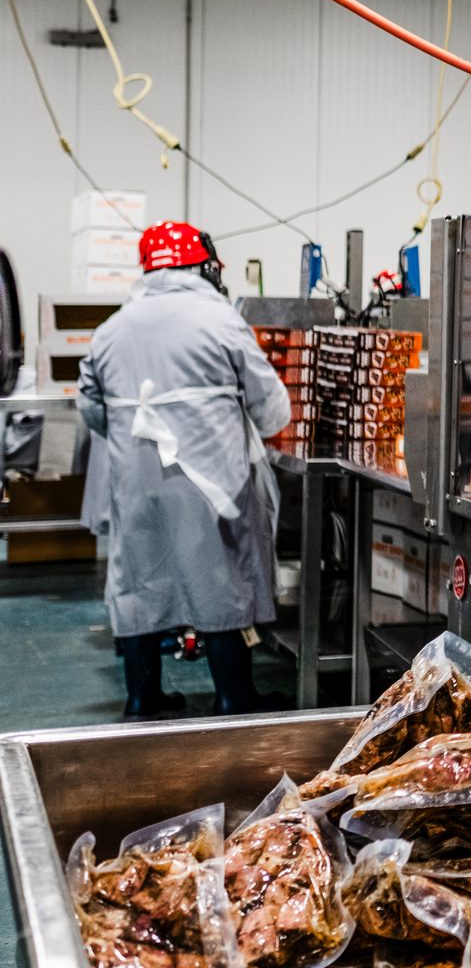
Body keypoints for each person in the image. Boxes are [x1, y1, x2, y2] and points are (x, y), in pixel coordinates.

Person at [77, 222, 291, 718]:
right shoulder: (219, 320)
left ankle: (141, 698)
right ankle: (233, 697)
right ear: (201, 265)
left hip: (134, 480)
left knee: (139, 580)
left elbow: (92, 411)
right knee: (220, 582)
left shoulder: (111, 329)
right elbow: (272, 410)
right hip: (211, 481)